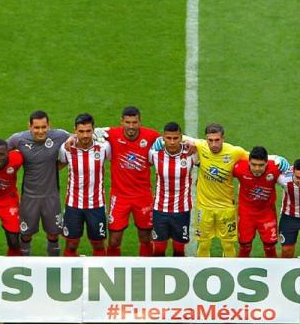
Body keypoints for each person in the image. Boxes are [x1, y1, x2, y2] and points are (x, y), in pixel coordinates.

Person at [8, 110, 69, 256]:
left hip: (51, 196)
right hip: (29, 197)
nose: (40, 131)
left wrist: (63, 162)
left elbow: (80, 139)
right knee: (26, 234)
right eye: (36, 127)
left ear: (49, 125)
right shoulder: (19, 139)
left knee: (54, 234)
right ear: (29, 126)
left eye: (44, 127)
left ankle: (54, 265)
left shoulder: (59, 136)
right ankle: (24, 264)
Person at [101, 106, 161, 256]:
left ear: (140, 122)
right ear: (122, 121)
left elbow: (173, 138)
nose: (131, 126)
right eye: (128, 122)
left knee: (145, 237)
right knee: (114, 240)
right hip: (119, 197)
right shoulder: (112, 134)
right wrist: (70, 139)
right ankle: (112, 270)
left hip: (143, 196)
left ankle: (147, 270)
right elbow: (89, 132)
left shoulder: (151, 136)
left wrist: (193, 144)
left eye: (134, 122)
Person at [188, 123, 248, 257]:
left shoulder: (235, 152)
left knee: (228, 244)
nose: (213, 144)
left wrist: (277, 160)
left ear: (223, 139)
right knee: (203, 244)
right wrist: (159, 141)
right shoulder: (201, 146)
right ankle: (202, 273)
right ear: (206, 139)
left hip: (226, 208)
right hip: (204, 207)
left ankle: (229, 272)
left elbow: (256, 158)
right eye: (210, 140)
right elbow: (177, 137)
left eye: (217, 140)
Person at [58, 113, 110, 256]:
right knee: (71, 243)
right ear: (75, 130)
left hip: (97, 206)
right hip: (73, 205)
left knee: (98, 244)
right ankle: (70, 275)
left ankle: (99, 275)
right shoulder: (66, 149)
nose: (85, 135)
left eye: (88, 131)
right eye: (81, 131)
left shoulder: (104, 147)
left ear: (93, 130)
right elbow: (58, 164)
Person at [148, 122, 198, 256]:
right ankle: (158, 276)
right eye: (168, 138)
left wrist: (192, 142)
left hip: (182, 210)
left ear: (181, 138)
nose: (172, 142)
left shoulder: (191, 154)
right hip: (160, 209)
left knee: (179, 250)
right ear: (163, 138)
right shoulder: (154, 154)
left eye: (175, 138)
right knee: (158, 249)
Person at [232, 146, 284, 257]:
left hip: (267, 214)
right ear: (248, 162)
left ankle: (273, 272)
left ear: (267, 163)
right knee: (245, 246)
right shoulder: (239, 168)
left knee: (270, 247)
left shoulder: (275, 169)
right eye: (254, 165)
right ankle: (239, 270)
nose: (257, 168)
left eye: (261, 165)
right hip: (246, 213)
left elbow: (297, 173)